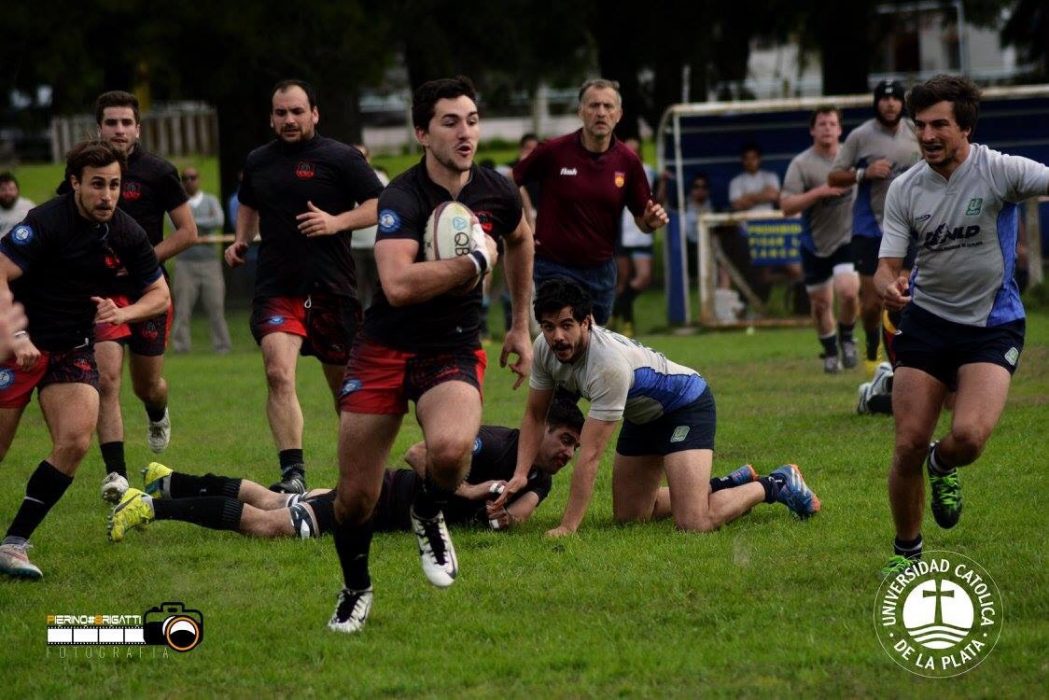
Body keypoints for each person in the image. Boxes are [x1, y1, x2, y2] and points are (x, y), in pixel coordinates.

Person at [328, 76, 535, 634]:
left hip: (452, 348)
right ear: (422, 132)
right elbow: (396, 284)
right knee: (354, 499)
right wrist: (472, 265)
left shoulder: (497, 190)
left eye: (470, 119)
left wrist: (520, 325)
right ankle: (356, 588)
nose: (464, 132)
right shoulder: (402, 195)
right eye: (449, 121)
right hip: (384, 348)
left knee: (448, 451)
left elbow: (520, 239)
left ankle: (427, 511)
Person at [875, 75, 1049, 578]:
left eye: (939, 125)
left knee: (969, 437)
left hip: (993, 325)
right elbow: (886, 266)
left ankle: (943, 464)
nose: (927, 136)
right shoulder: (906, 188)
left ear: (966, 127)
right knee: (907, 442)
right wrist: (887, 285)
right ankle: (907, 554)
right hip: (927, 322)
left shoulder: (1000, 171)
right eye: (920, 126)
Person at [497, 278, 821, 538]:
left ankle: (774, 484)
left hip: (685, 407)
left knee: (693, 522)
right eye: (549, 326)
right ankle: (724, 485)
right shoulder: (543, 349)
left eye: (567, 324)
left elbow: (591, 455)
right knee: (631, 517)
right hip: (642, 418)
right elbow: (535, 415)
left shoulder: (607, 366)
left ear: (587, 322)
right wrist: (521, 474)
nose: (558, 336)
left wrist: (567, 527)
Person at [0, 140, 169, 579]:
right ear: (75, 183)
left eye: (114, 185)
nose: (107, 195)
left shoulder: (127, 232)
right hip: (15, 346)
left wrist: (123, 312)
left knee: (75, 440)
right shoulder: (45, 222)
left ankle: (14, 543)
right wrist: (15, 334)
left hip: (71, 347)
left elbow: (160, 295)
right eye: (97, 185)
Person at [225, 79, 384, 495]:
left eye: (297, 111)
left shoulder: (341, 157)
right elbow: (248, 201)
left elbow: (380, 204)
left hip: (332, 287)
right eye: (281, 113)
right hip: (279, 286)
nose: (289, 120)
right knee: (278, 374)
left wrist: (336, 222)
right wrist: (242, 237)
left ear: (315, 113)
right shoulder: (259, 160)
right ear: (272, 118)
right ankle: (293, 473)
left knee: (344, 388)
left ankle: (362, 470)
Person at [107, 403, 584, 541]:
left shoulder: (542, 476)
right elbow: (417, 455)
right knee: (267, 525)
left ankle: (166, 479)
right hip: (380, 501)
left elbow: (515, 517)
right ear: (540, 429)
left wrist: (503, 514)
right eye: (564, 440)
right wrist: (471, 489)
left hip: (384, 506)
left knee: (276, 501)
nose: (568, 453)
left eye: (575, 447)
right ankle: (151, 506)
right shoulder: (496, 442)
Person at [72, 91, 198, 502]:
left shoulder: (159, 172)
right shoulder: (85, 169)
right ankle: (116, 474)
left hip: (148, 291)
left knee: (149, 385)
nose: (119, 130)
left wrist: (142, 259)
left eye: (127, 123)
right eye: (111, 123)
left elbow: (187, 233)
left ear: (138, 128)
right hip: (103, 294)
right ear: (99, 128)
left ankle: (157, 411)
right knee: (107, 378)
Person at [513, 79, 667, 324]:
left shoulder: (628, 161)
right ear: (580, 111)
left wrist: (650, 221)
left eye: (608, 106)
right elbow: (510, 182)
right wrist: (521, 225)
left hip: (601, 269)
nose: (601, 113)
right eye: (594, 105)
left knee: (591, 345)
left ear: (619, 114)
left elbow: (642, 219)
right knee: (572, 329)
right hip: (554, 265)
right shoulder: (554, 151)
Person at [829, 80, 921, 375]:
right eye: (885, 98)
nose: (890, 104)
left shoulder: (917, 132)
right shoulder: (861, 136)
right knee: (871, 304)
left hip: (910, 225)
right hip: (870, 228)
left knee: (902, 295)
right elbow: (834, 177)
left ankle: (902, 355)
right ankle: (870, 339)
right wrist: (864, 172)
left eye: (896, 98)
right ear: (876, 102)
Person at [780, 107, 860, 373]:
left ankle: (847, 337)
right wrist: (820, 192)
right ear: (813, 130)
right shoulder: (801, 164)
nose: (828, 128)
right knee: (821, 304)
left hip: (848, 237)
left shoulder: (853, 156)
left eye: (833, 123)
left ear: (840, 129)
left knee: (848, 291)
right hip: (814, 242)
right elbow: (787, 206)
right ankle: (829, 351)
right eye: (822, 123)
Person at [171, 167, 232, 354]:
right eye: (185, 178)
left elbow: (219, 221)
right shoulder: (178, 203)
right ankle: (181, 348)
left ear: (199, 179)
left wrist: (191, 224)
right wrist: (199, 223)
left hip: (210, 263)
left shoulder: (211, 200)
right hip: (184, 264)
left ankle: (222, 347)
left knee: (216, 308)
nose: (189, 181)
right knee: (182, 310)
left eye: (193, 177)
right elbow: (174, 223)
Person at [611, 138, 657, 337]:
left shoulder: (649, 172)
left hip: (641, 232)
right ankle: (627, 324)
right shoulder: (613, 172)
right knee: (622, 280)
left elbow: (656, 199)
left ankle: (614, 312)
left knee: (643, 278)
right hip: (620, 233)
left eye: (635, 151)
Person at [349, 144, 390, 311]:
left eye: (364, 156)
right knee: (357, 290)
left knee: (378, 288)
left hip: (376, 244)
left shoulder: (380, 179)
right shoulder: (344, 179)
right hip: (353, 246)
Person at [0, 173, 35, 238]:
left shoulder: (29, 206)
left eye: (11, 189)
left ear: (18, 191)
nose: (8, 193)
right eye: (3, 189)